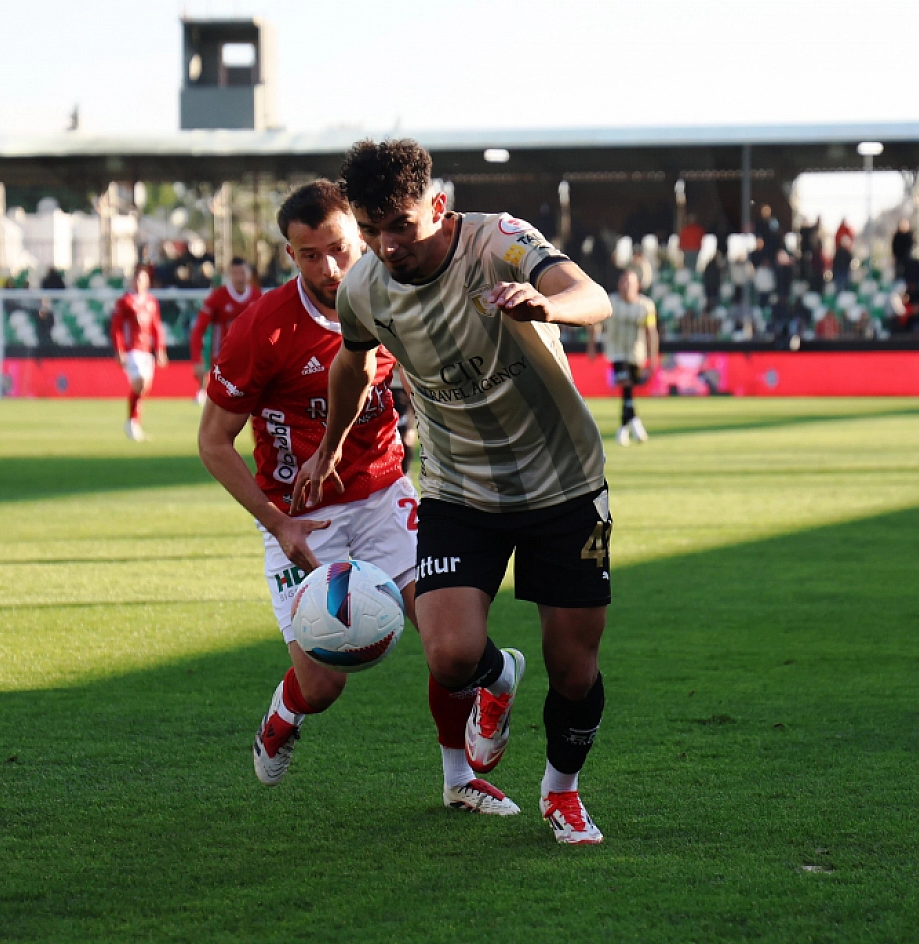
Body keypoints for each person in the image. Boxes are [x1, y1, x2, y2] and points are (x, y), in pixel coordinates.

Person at [298, 139, 614, 844]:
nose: (387, 245)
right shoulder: (363, 288)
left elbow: (592, 295)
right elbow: (352, 363)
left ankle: (561, 791)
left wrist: (547, 303)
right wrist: (331, 443)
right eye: (372, 230)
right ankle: (498, 684)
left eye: (401, 226)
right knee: (449, 655)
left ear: (438, 207)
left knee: (573, 669)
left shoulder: (497, 241)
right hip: (458, 489)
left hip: (563, 482)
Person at [195, 181, 464, 802]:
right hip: (302, 519)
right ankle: (283, 716)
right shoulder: (261, 329)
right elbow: (213, 442)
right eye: (310, 255)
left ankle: (460, 779)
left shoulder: (395, 292)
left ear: (361, 238)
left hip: (384, 493)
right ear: (290, 254)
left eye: (339, 248)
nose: (330, 268)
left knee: (451, 643)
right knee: (323, 686)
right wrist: (277, 522)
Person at [589, 269, 659, 446]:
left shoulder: (646, 306)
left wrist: (653, 357)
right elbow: (596, 323)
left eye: (630, 283)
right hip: (616, 351)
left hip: (636, 353)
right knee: (625, 383)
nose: (627, 286)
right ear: (619, 284)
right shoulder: (610, 302)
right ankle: (635, 424)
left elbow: (651, 332)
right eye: (624, 282)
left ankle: (625, 427)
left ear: (638, 286)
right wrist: (592, 345)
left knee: (628, 389)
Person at [189, 256, 258, 406]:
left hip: (249, 360)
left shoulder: (257, 297)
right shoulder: (218, 297)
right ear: (229, 275)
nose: (239, 278)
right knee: (221, 406)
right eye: (235, 273)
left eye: (242, 273)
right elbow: (198, 329)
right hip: (222, 360)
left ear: (249, 274)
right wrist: (196, 359)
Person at [110, 265, 167, 440]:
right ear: (132, 280)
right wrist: (119, 350)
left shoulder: (151, 302)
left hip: (146, 350)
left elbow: (156, 326)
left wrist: (160, 349)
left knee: (143, 388)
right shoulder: (125, 301)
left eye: (142, 279)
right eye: (136, 278)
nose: (139, 282)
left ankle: (133, 422)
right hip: (131, 350)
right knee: (140, 382)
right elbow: (116, 327)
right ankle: (132, 423)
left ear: (147, 281)